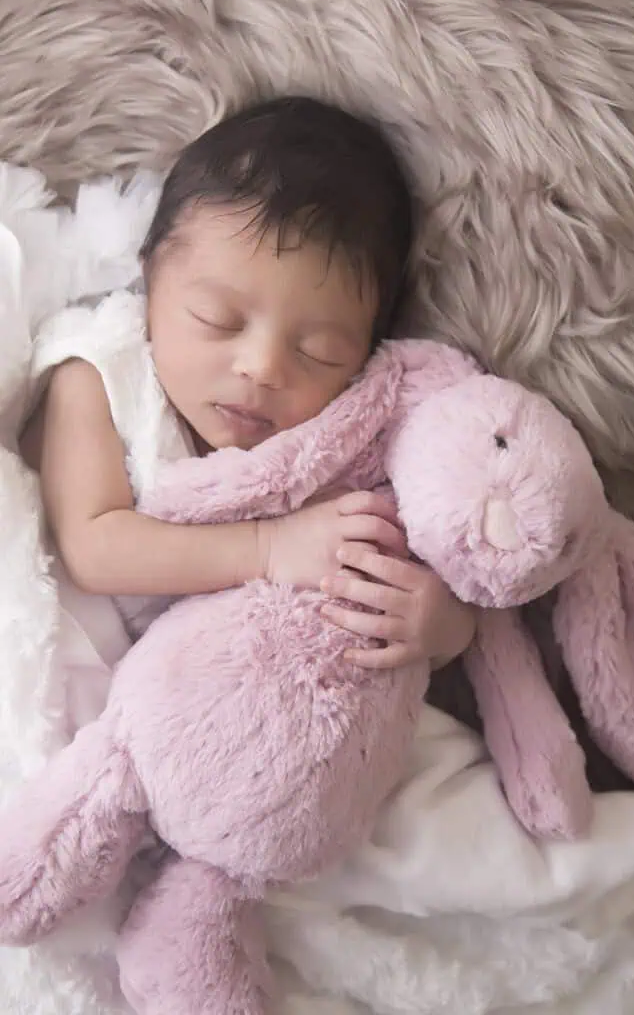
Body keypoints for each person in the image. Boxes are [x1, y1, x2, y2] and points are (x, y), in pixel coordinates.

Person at [21, 95, 475, 677]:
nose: (262, 368)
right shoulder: (100, 373)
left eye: (319, 352)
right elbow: (93, 547)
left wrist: (444, 626)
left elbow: (447, 545)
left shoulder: (348, 424)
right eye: (218, 319)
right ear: (150, 276)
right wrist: (270, 548)